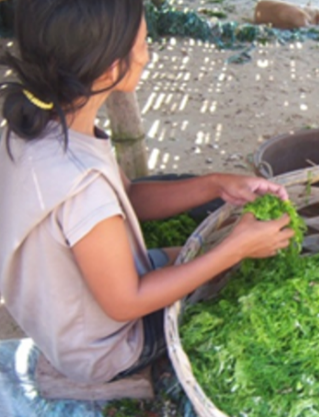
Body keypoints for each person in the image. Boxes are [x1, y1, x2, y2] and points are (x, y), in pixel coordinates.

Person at [0, 0, 294, 384]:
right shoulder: (81, 186)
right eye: (142, 43)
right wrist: (232, 251)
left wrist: (216, 184)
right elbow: (127, 303)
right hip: (106, 349)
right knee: (231, 274)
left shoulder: (39, 125)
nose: (147, 54)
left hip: (68, 306)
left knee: (206, 249)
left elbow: (130, 197)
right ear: (111, 68)